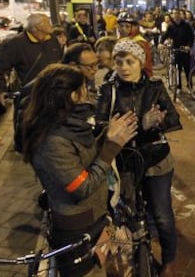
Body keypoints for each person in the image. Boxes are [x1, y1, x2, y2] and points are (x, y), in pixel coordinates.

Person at [22, 63, 138, 276]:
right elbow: (82, 187)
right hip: (77, 229)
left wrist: (108, 136)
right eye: (84, 88)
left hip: (97, 217)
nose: (89, 92)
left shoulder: (73, 124)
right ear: (73, 95)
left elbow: (87, 157)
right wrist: (111, 147)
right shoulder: (53, 141)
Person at [96, 40, 182, 277]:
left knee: (162, 216)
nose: (124, 67)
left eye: (130, 61)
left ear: (141, 63)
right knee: (119, 213)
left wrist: (158, 121)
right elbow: (99, 125)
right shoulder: (108, 89)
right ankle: (122, 257)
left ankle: (169, 261)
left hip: (155, 160)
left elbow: (173, 120)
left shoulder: (155, 87)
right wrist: (122, 127)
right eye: (119, 61)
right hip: (122, 161)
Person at [0, 13, 63, 152]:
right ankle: (25, 148)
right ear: (38, 27)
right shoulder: (15, 44)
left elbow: (60, 60)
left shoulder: (51, 39)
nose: (51, 24)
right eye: (47, 22)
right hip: (29, 95)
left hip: (53, 92)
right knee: (27, 125)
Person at [160, 8, 194, 93]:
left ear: (180, 15)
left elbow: (191, 37)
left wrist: (188, 46)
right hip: (175, 50)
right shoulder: (171, 26)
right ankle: (179, 86)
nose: (176, 15)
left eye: (177, 13)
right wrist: (160, 43)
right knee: (177, 70)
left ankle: (190, 86)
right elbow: (165, 35)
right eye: (174, 13)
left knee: (187, 70)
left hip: (185, 50)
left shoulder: (186, 25)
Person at [117, 12, 153, 77]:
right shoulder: (121, 40)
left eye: (127, 26)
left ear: (134, 27)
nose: (123, 29)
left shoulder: (139, 42)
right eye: (121, 26)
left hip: (140, 78)